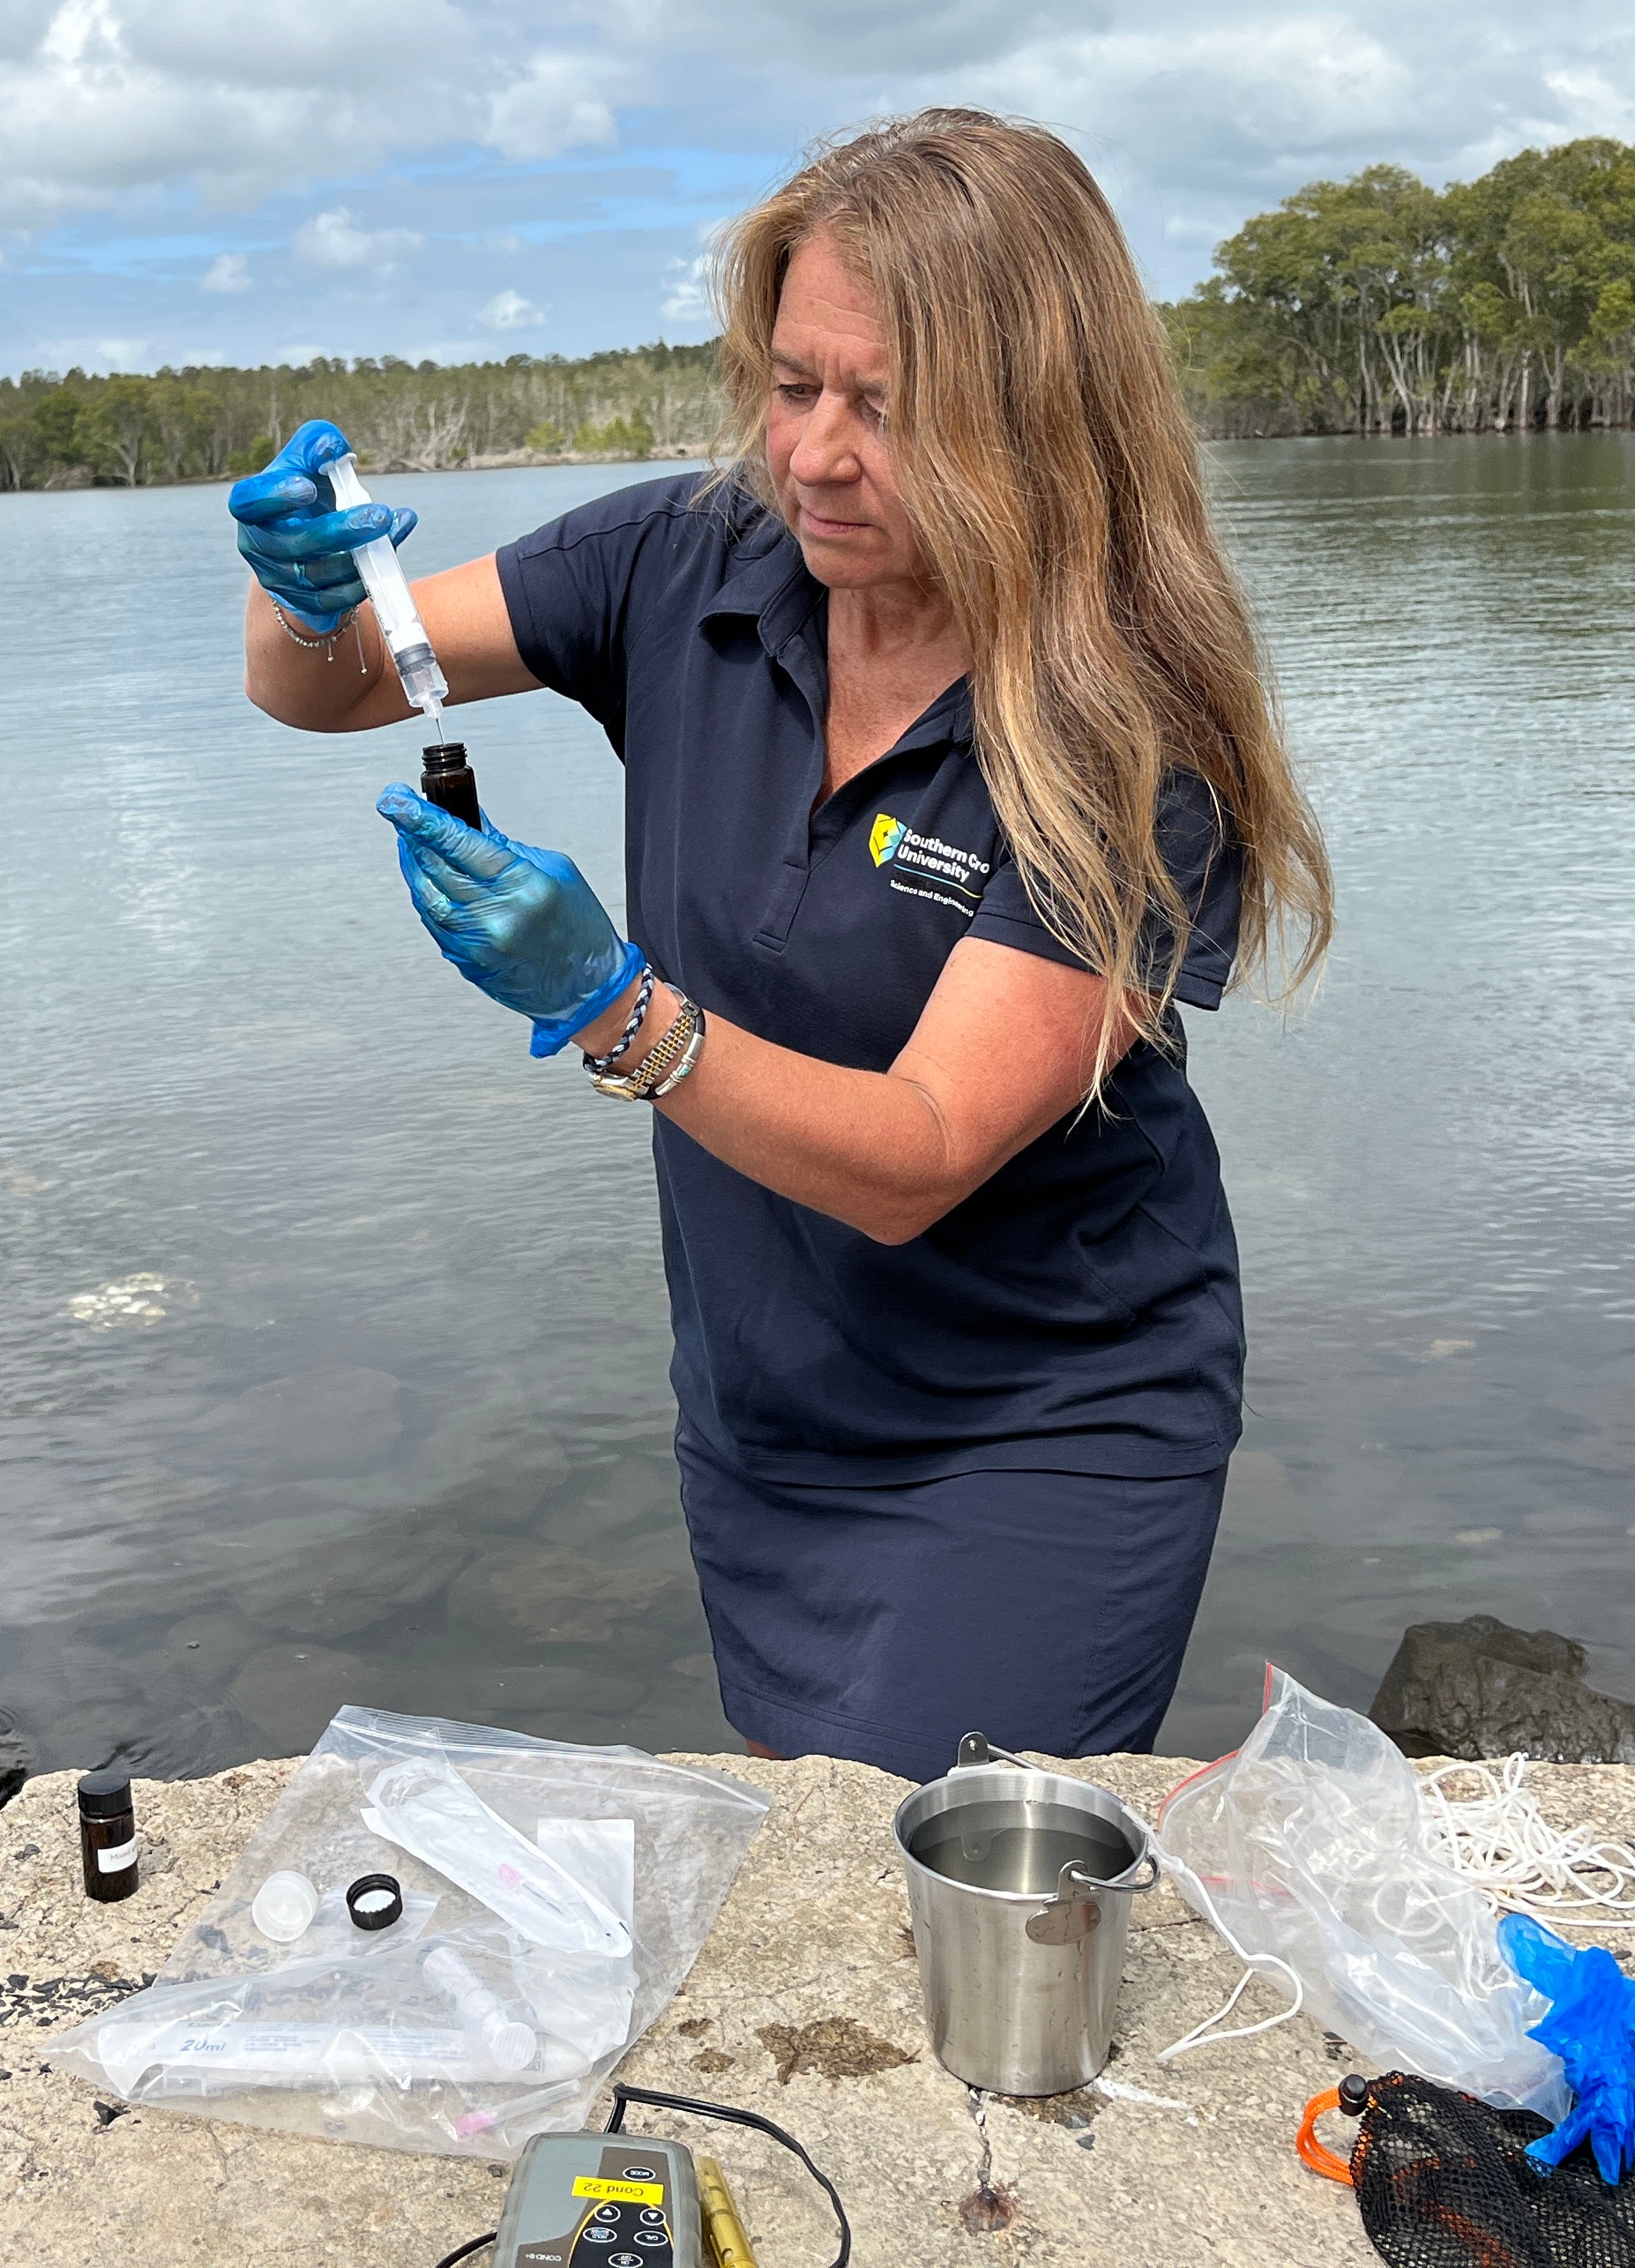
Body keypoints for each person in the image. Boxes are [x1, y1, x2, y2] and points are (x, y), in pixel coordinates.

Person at [228, 108, 1330, 1779]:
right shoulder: (687, 561)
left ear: (1034, 417)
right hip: (765, 1402)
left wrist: (614, 1010)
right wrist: (301, 587)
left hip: (1045, 1424)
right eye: (795, 383)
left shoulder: (1129, 730)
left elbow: (923, 1153)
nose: (813, 452)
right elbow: (336, 686)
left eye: (885, 409)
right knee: (807, 1857)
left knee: (932, 1875)